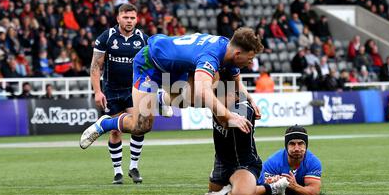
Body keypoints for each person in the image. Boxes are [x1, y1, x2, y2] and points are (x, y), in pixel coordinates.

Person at [80, 28, 264, 154]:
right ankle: (105, 124)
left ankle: (161, 100)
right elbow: (203, 92)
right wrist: (230, 116)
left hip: (175, 68)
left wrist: (251, 100)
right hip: (150, 63)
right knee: (141, 126)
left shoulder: (227, 48)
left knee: (203, 91)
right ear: (238, 54)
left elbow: (235, 80)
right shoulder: (210, 56)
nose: (251, 63)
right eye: (249, 59)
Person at [200, 69, 289, 195]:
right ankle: (228, 189)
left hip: (243, 163)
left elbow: (239, 119)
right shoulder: (221, 104)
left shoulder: (243, 109)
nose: (216, 101)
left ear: (235, 95)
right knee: (219, 192)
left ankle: (272, 187)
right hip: (221, 161)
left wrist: (233, 115)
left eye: (220, 95)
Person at [89, 3, 149, 185]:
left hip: (134, 90)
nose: (129, 21)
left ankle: (134, 166)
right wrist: (97, 91)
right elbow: (95, 66)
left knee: (138, 126)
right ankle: (117, 172)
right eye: (126, 17)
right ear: (118, 18)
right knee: (115, 130)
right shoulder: (106, 37)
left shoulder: (143, 39)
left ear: (136, 19)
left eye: (132, 18)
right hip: (112, 91)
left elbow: (149, 65)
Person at [256, 125, 322, 195]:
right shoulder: (273, 162)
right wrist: (270, 186)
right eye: (292, 144)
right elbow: (259, 191)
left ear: (306, 145)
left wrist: (295, 186)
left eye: (300, 143)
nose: (296, 148)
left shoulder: (313, 162)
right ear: (286, 146)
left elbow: (313, 193)